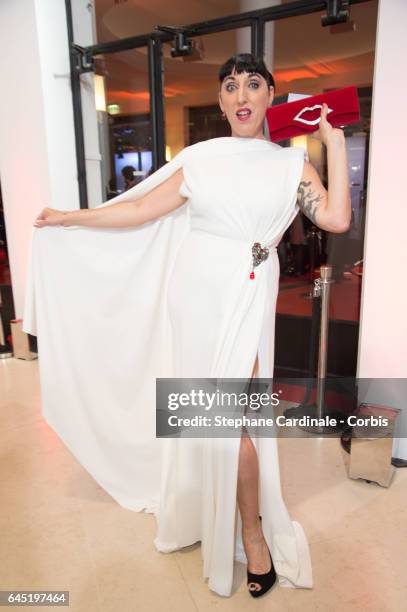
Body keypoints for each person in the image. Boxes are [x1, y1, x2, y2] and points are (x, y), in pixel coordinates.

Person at [25, 53, 351, 599]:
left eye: (253, 84)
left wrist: (334, 147)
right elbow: (139, 211)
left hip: (246, 294)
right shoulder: (199, 159)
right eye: (230, 86)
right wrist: (69, 217)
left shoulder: (292, 165)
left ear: (270, 95)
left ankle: (253, 535)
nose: (242, 95)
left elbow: (336, 218)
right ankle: (205, 512)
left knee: (231, 423)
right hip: (194, 296)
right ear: (221, 103)